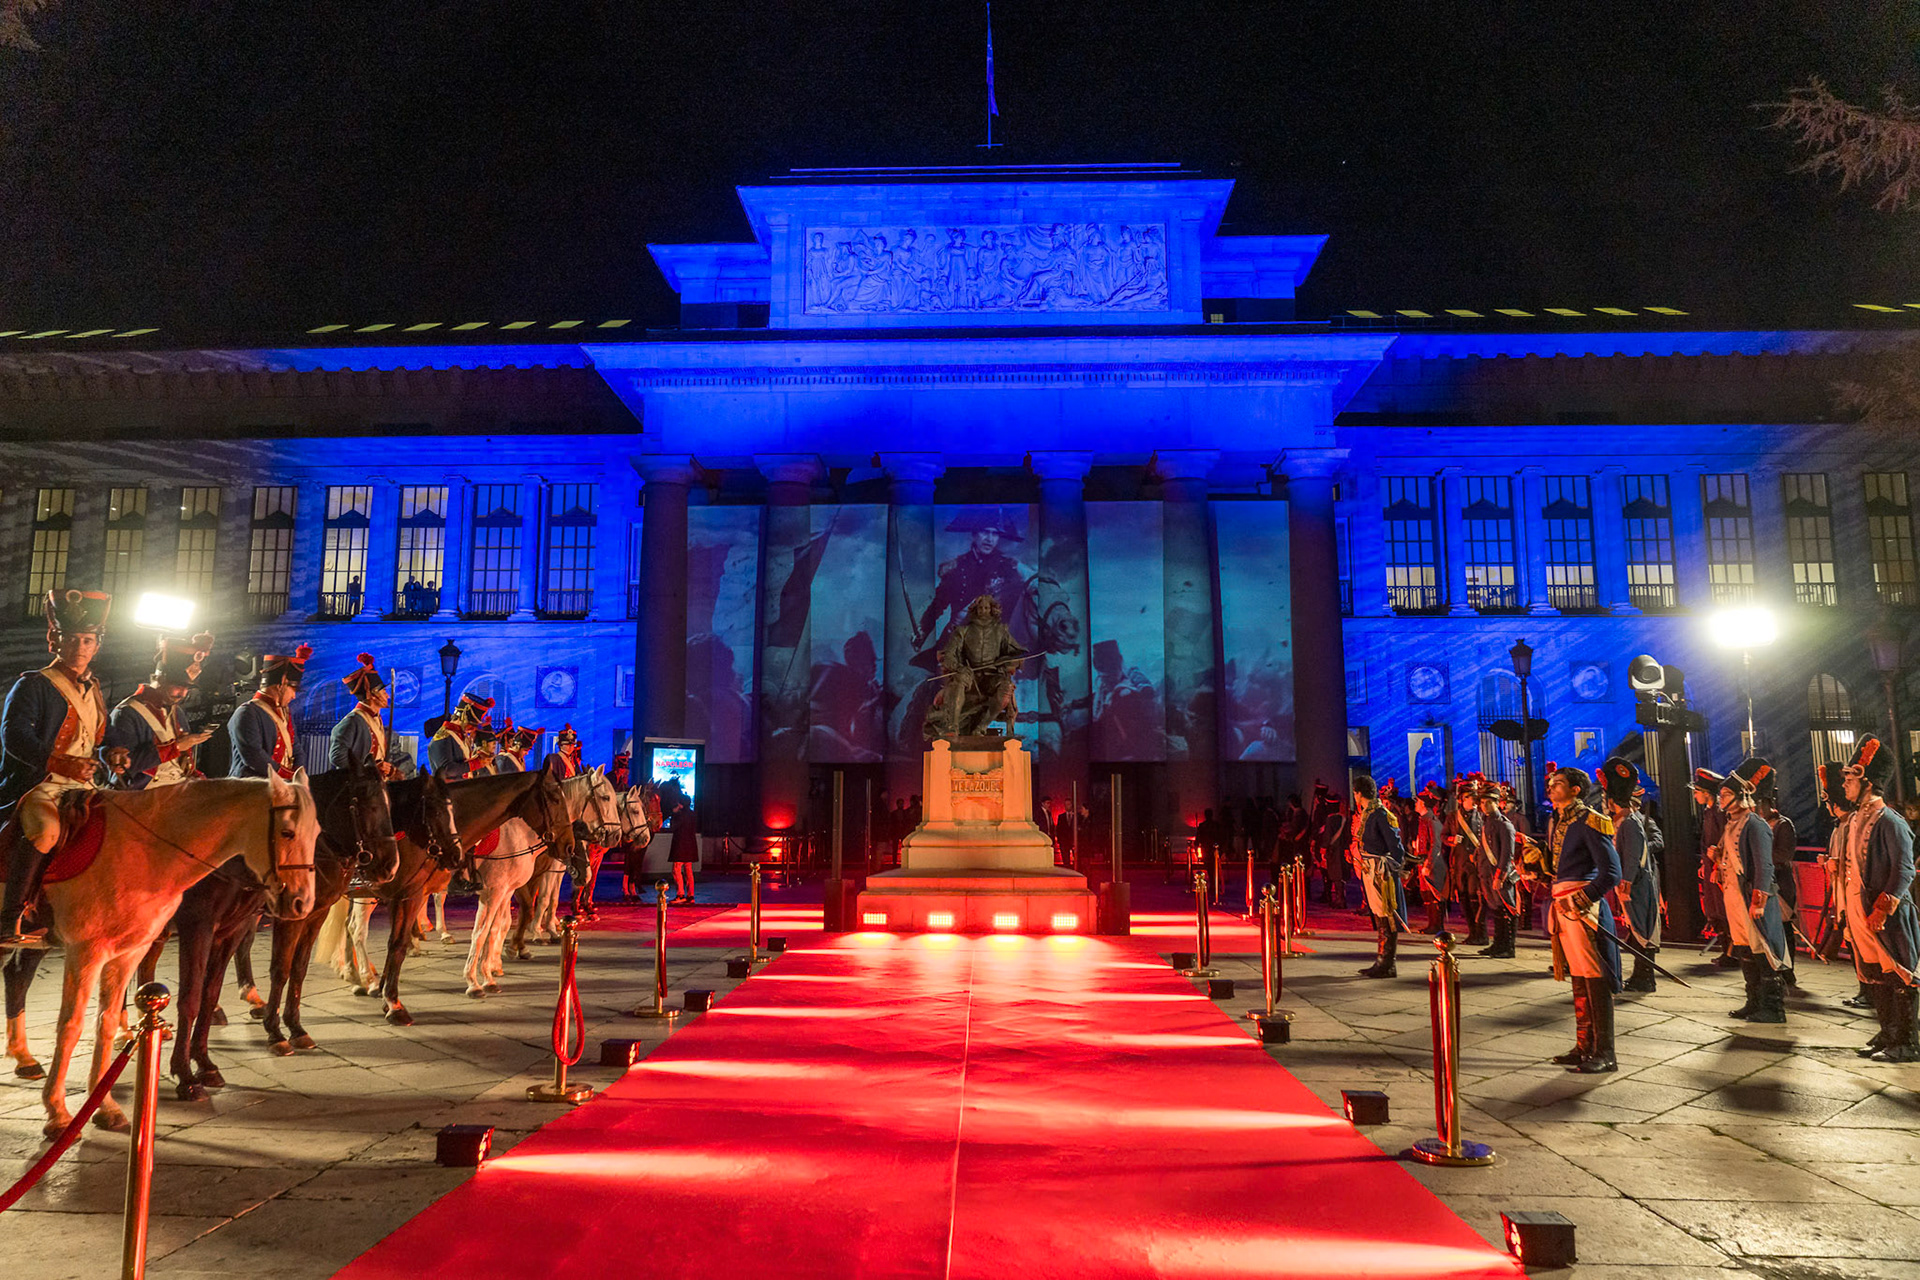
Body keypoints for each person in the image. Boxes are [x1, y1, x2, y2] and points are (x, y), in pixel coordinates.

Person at [0, 590, 114, 946]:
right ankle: (11, 916)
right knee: (45, 831)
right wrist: (58, 762)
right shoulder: (33, 684)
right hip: (42, 784)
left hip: (84, 786)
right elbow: (14, 736)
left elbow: (94, 740)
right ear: (56, 641)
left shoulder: (94, 688)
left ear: (97, 645)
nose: (80, 646)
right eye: (73, 639)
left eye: (88, 640)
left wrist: (114, 754)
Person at [1841, 736, 1919, 1062]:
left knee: (1899, 973)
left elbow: (1904, 871)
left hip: (1884, 913)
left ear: (1868, 782)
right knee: (1874, 974)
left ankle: (1906, 1041)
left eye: (1850, 779)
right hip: (1860, 909)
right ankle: (1887, 1032)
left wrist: (1883, 908)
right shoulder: (1856, 817)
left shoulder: (1891, 821)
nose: (1844, 785)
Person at [1544, 765, 1622, 1073]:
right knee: (1579, 976)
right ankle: (1584, 1045)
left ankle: (1605, 1052)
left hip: (1581, 908)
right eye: (1551, 783)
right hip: (1564, 905)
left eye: (1558, 784)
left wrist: (1581, 898)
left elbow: (1611, 873)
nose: (1550, 787)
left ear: (1576, 790)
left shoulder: (1592, 821)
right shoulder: (1559, 820)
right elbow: (1561, 869)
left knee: (1594, 976)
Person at [1717, 759, 1790, 1024]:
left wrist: (1759, 897)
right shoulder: (1732, 823)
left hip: (1752, 897)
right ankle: (1753, 1001)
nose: (1721, 798)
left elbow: (1764, 864)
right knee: (1745, 948)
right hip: (1734, 895)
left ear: (1742, 795)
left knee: (1762, 948)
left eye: (1726, 794)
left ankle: (1772, 1007)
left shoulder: (1755, 824)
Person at [102, 631, 217, 791]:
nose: (183, 693)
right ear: (161, 679)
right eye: (178, 685)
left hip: (177, 786)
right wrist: (175, 747)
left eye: (187, 688)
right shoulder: (127, 712)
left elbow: (181, 764)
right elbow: (126, 764)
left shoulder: (178, 713)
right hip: (143, 792)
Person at [1602, 757, 1661, 993]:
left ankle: (1645, 978)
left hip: (1636, 884)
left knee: (1642, 929)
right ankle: (1640, 976)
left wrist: (1626, 880)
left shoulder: (1629, 823)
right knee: (1635, 930)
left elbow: (1634, 856)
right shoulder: (1622, 821)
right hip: (1629, 883)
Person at [1350, 775, 1405, 978]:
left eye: (1355, 792)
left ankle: (1387, 963)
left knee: (1387, 916)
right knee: (1378, 916)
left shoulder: (1381, 815)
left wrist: (1389, 870)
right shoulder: (1368, 813)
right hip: (1370, 869)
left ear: (1359, 793)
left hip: (1381, 872)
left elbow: (1396, 848)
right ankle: (1382, 960)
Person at [1755, 772, 1800, 988]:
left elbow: (1783, 854)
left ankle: (1788, 971)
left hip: (1781, 885)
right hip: (1765, 884)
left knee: (1785, 930)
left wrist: (1760, 859)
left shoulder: (1783, 825)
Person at [1693, 768, 1735, 968]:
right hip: (1710, 867)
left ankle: (1732, 952)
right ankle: (1725, 949)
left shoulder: (1719, 813)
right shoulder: (1708, 812)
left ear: (1706, 793)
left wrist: (1718, 862)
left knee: (1724, 910)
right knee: (1714, 910)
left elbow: (1723, 839)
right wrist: (1704, 862)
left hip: (1720, 868)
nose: (1695, 795)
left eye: (1697, 791)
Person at [1475, 779, 1520, 958]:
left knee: (1507, 910)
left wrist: (1500, 876)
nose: (1484, 806)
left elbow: (1507, 855)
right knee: (1496, 911)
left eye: (1488, 802)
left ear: (1497, 803)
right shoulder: (1486, 823)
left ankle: (1508, 947)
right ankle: (1498, 944)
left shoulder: (1504, 824)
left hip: (1499, 875)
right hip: (1487, 873)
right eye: (1482, 802)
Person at [328, 652, 393, 777]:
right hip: (357, 786)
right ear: (373, 695)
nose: (387, 695)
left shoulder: (376, 718)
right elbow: (337, 757)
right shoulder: (353, 721)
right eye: (383, 691)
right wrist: (367, 769)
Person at [428, 691, 495, 780]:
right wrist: (477, 763)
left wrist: (479, 760)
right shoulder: (444, 736)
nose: (473, 728)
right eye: (471, 724)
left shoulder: (461, 737)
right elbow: (447, 770)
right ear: (463, 717)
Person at [1412, 782, 1449, 934]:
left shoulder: (1433, 822)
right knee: (1426, 894)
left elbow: (1436, 846)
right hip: (1423, 863)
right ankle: (1431, 924)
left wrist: (1429, 864)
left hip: (1432, 865)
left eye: (1419, 801)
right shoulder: (1423, 820)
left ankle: (1437, 925)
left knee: (1435, 895)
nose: (1416, 804)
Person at [666, 793, 699, 905]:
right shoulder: (693, 814)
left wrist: (673, 814)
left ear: (681, 804)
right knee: (688, 870)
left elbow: (673, 827)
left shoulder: (679, 815)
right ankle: (691, 895)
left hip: (680, 845)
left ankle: (680, 894)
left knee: (676, 869)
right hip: (690, 845)